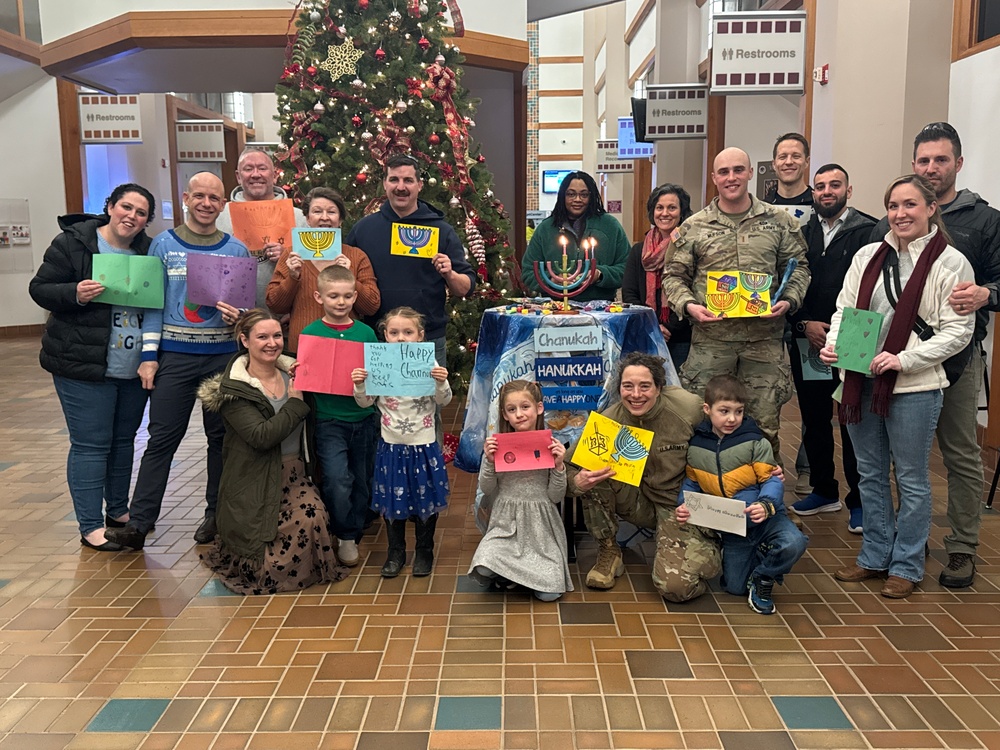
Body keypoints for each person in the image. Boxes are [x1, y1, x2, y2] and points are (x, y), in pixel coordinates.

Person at [822, 174, 975, 599]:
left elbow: (957, 331)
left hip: (915, 386)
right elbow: (843, 310)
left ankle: (906, 564)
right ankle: (874, 556)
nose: (900, 213)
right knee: (870, 474)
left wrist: (903, 360)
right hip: (860, 381)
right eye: (893, 205)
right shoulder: (868, 256)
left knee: (911, 478)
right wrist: (835, 347)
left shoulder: (951, 263)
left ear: (931, 209)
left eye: (910, 205)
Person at [870, 122, 1000, 589]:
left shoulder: (985, 221)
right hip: (893, 365)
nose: (931, 168)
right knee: (900, 460)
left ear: (958, 164)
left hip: (957, 360)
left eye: (940, 160)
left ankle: (963, 546)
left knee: (960, 454)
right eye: (923, 160)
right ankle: (909, 542)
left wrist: (988, 293)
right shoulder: (888, 228)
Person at [106, 172, 251, 551]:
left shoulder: (236, 249)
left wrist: (240, 317)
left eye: (214, 198)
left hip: (221, 358)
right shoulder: (163, 246)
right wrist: (149, 357)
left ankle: (215, 517)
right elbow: (153, 306)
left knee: (220, 440)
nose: (206, 203)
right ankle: (139, 523)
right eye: (199, 196)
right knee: (161, 439)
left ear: (223, 204)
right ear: (186, 198)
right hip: (176, 357)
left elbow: (246, 309)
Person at [28, 184, 157, 552]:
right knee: (90, 445)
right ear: (110, 207)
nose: (131, 216)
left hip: (130, 367)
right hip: (82, 364)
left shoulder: (148, 251)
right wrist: (75, 293)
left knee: (122, 443)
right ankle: (89, 525)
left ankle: (118, 512)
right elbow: (40, 289)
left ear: (147, 220)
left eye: (141, 212)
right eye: (126, 207)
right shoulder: (73, 243)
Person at [663, 147, 810, 456]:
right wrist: (689, 306)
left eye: (738, 170)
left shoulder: (779, 222)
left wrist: (788, 300)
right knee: (703, 422)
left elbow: (799, 268)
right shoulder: (693, 228)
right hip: (711, 343)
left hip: (764, 343)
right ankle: (707, 497)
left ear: (750, 173)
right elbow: (673, 276)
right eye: (724, 172)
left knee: (764, 426)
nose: (732, 177)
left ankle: (763, 499)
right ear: (714, 177)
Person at [197, 309, 349, 594]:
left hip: (293, 473)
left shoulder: (296, 372)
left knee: (312, 515)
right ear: (245, 340)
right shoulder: (234, 390)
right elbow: (261, 436)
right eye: (262, 337)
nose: (272, 343)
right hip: (252, 477)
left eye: (277, 335)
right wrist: (295, 403)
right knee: (266, 554)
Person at [567, 352, 720, 602]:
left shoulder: (689, 407)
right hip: (637, 500)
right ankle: (609, 550)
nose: (636, 395)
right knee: (595, 473)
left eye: (645, 386)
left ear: (660, 388)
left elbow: (730, 431)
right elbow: (566, 468)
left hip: (680, 506)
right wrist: (577, 483)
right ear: (619, 389)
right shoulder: (609, 421)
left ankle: (709, 545)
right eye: (628, 386)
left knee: (676, 589)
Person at [787, 164, 875, 533]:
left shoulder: (870, 230)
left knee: (852, 417)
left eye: (834, 185)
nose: (826, 191)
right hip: (813, 334)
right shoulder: (801, 233)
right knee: (816, 416)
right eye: (820, 186)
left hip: (855, 336)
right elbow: (789, 278)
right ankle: (824, 489)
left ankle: (860, 502)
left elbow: (872, 286)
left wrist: (846, 333)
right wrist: (804, 324)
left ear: (848, 190)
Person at [676, 375, 808, 615]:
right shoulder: (696, 446)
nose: (732, 418)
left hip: (766, 517)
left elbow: (771, 479)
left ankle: (764, 577)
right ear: (707, 409)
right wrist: (685, 504)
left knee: (794, 543)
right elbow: (692, 482)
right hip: (733, 527)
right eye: (724, 411)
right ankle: (761, 554)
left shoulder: (755, 441)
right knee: (735, 588)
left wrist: (767, 504)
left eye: (738, 411)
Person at [345, 153, 475, 370]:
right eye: (394, 179)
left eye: (408, 180)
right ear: (385, 184)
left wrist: (450, 274)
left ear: (420, 185)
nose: (401, 187)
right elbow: (344, 280)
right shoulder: (364, 229)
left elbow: (466, 288)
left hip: (427, 338)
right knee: (381, 405)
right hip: (378, 339)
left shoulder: (441, 230)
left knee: (428, 404)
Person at [351, 307, 452, 578]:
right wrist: (360, 384)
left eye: (408, 332)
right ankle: (395, 551)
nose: (401, 338)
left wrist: (441, 382)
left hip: (423, 444)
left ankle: (424, 550)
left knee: (425, 498)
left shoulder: (429, 365)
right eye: (394, 333)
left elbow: (443, 401)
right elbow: (365, 402)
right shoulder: (379, 366)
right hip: (391, 446)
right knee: (392, 500)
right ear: (385, 336)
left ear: (420, 336)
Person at [299, 265, 379, 567]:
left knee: (362, 479)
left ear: (355, 296)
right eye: (333, 296)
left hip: (363, 417)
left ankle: (354, 531)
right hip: (329, 420)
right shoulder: (310, 334)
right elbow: (304, 377)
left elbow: (379, 375)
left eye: (347, 296)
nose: (341, 302)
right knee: (336, 479)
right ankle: (345, 534)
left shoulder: (366, 332)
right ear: (319, 297)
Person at [468, 380, 572, 601]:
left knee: (549, 594)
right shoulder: (497, 446)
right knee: (484, 566)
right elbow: (487, 488)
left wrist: (559, 466)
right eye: (511, 410)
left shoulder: (550, 445)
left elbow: (556, 496)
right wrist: (488, 460)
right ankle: (511, 573)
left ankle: (514, 576)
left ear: (539, 408)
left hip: (540, 528)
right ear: (504, 415)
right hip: (507, 523)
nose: (519, 414)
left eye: (525, 407)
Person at [266, 187, 380, 352]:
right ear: (307, 218)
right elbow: (274, 305)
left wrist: (351, 279)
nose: (324, 218)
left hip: (348, 349)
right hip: (303, 350)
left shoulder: (356, 256)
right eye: (317, 211)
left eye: (332, 212)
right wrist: (292, 277)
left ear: (340, 219)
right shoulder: (291, 255)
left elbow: (371, 306)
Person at [215, 147, 308, 307]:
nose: (256, 174)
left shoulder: (300, 218)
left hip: (287, 317)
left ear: (275, 175)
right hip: (233, 318)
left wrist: (286, 257)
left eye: (262, 168)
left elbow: (314, 270)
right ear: (238, 176)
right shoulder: (220, 217)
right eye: (248, 169)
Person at [520, 171, 631, 302]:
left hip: (601, 309)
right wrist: (551, 279)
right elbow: (528, 272)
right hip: (555, 309)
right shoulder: (545, 229)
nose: (577, 199)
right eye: (571, 194)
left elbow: (627, 268)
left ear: (591, 196)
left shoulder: (610, 226)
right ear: (562, 196)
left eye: (584, 194)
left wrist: (600, 274)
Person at [622, 184, 694, 368]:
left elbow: (694, 292)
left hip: (681, 337)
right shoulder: (639, 250)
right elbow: (629, 294)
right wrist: (652, 327)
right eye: (659, 207)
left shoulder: (690, 247)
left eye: (672, 207)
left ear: (682, 212)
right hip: (645, 335)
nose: (665, 213)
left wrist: (668, 328)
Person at [765, 132, 814, 225]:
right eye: (782, 157)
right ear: (774, 164)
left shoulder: (819, 207)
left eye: (796, 156)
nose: (789, 162)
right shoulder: (762, 208)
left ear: (806, 162)